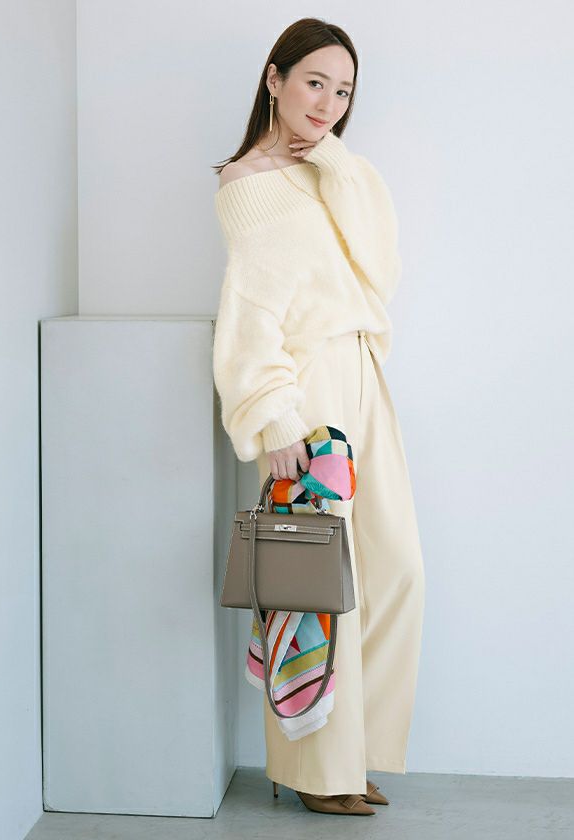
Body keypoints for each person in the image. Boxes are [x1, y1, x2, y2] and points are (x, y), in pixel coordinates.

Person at [211, 18, 426, 817]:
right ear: (274, 79)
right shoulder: (247, 182)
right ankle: (316, 770)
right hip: (309, 390)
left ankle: (356, 752)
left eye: (343, 91)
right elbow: (251, 311)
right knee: (316, 584)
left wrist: (335, 162)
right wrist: (274, 418)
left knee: (397, 569)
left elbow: (381, 270)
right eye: (314, 82)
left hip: (364, 370)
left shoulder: (341, 171)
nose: (328, 102)